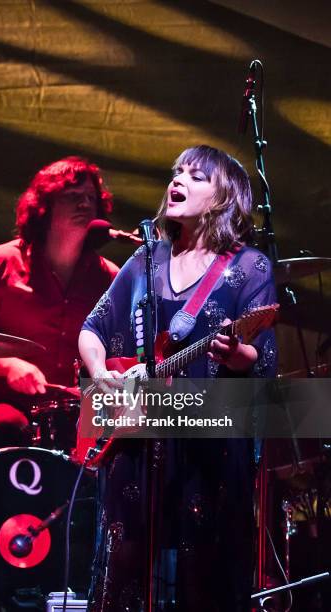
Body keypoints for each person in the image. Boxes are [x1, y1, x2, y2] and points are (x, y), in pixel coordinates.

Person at [79, 145, 277, 611]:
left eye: (196, 176)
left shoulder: (249, 268)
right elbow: (92, 329)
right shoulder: (144, 262)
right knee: (126, 573)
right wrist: (99, 373)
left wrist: (237, 354)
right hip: (136, 445)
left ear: (224, 197)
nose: (179, 180)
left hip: (207, 445)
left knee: (204, 577)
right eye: (177, 172)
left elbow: (262, 363)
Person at [0, 156, 119, 450]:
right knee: (8, 428)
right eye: (73, 197)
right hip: (6, 404)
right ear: (45, 206)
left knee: (141, 436)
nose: (85, 205)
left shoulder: (109, 278)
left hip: (77, 410)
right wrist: (9, 366)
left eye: (91, 198)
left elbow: (123, 352)